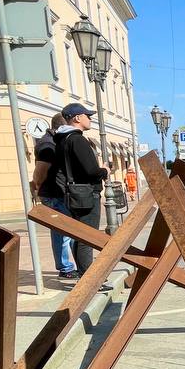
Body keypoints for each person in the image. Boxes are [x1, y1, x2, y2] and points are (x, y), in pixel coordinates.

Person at [47, 103, 107, 276]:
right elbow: (91, 171)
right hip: (86, 195)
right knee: (87, 237)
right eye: (88, 116)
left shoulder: (62, 140)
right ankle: (89, 278)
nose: (90, 119)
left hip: (73, 194)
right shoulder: (77, 139)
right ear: (77, 118)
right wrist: (104, 170)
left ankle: (83, 273)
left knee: (80, 236)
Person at [31, 112, 77, 280]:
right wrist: (37, 186)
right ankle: (65, 267)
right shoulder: (48, 144)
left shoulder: (54, 142)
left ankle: (71, 265)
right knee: (62, 233)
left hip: (59, 193)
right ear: (62, 126)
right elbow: (40, 171)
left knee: (68, 232)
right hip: (54, 194)